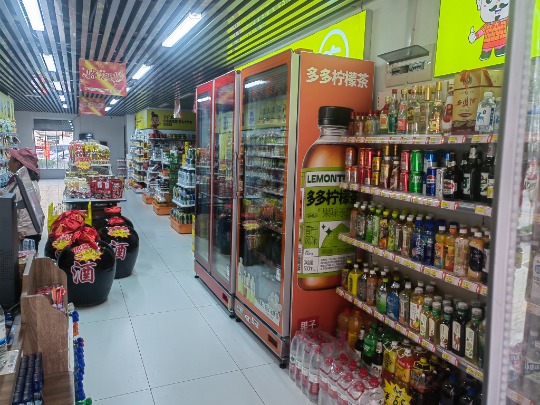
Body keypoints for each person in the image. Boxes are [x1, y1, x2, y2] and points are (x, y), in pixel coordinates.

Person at [5, 148, 42, 246]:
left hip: (25, 235)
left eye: (11, 159)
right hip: (27, 232)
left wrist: (21, 230)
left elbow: (26, 209)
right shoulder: (24, 180)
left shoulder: (24, 186)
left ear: (18, 164)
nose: (8, 162)